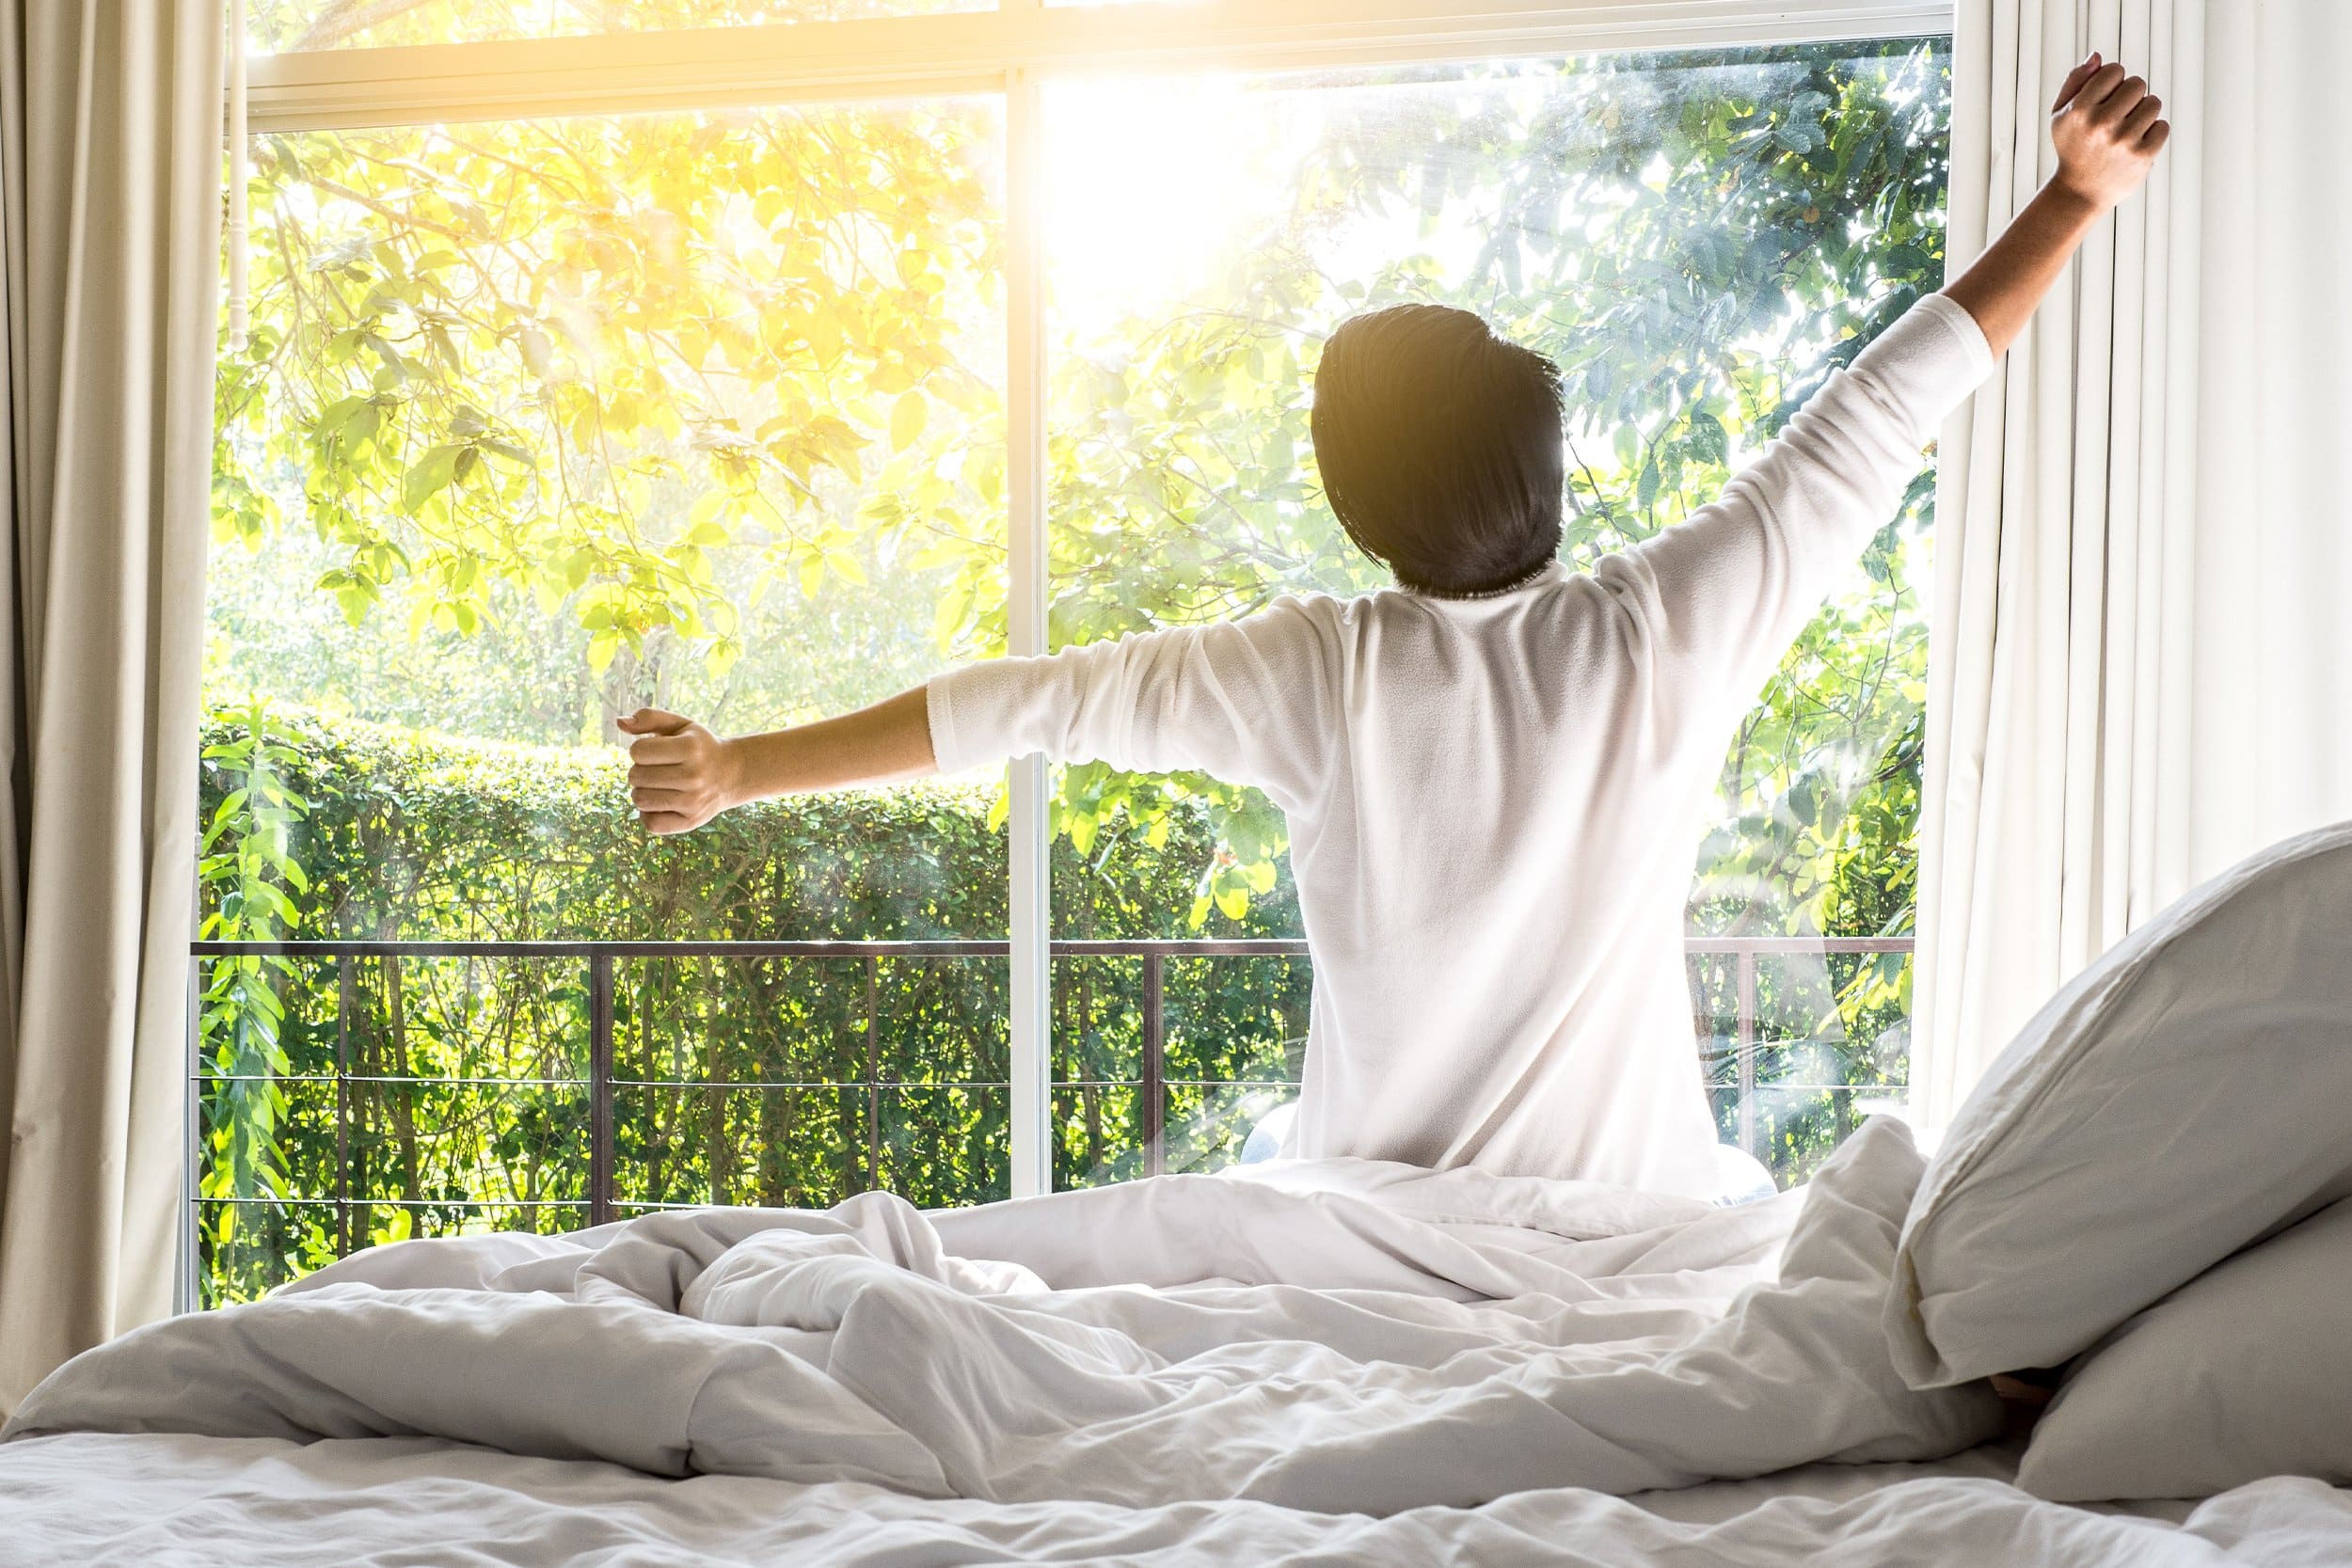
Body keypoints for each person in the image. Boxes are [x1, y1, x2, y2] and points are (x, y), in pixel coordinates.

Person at [618, 56, 2169, 1198]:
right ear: (1553, 469)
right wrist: (2074, 195)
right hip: (1630, 1241)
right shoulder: (1664, 632)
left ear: (1362, 516)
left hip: (1358, 1244)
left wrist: (745, 767)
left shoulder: (1315, 669)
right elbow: (1879, 414)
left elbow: (1022, 703)